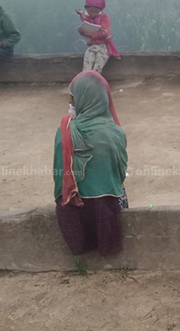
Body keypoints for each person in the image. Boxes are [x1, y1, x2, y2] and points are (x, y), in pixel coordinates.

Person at [53, 71, 128, 256]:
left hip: (73, 211)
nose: (70, 105)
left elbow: (58, 176)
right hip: (107, 207)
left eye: (72, 100)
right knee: (118, 191)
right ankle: (107, 246)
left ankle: (80, 244)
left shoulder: (65, 129)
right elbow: (120, 172)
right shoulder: (116, 132)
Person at [76, 0, 121, 74]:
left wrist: (89, 34)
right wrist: (81, 14)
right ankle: (85, 77)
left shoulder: (104, 17)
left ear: (100, 10)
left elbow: (104, 33)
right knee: (87, 65)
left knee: (98, 66)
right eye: (90, 11)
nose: (93, 14)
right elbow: (87, 23)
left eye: (96, 12)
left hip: (104, 46)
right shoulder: (87, 16)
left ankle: (95, 79)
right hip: (92, 45)